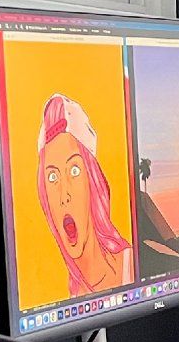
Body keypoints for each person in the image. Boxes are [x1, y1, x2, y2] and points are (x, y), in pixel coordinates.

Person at [36, 93, 134, 297]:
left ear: (93, 183)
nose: (64, 196)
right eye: (52, 177)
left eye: (74, 171)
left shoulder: (132, 267)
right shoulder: (71, 300)